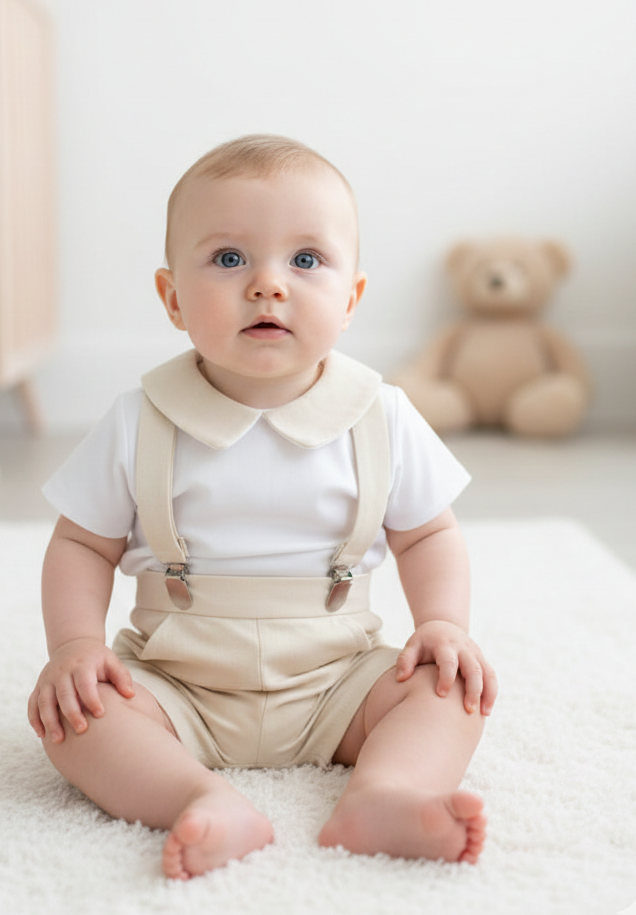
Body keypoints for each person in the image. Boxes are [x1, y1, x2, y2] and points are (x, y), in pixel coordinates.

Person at [28, 134, 498, 881]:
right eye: (229, 259)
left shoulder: (383, 414)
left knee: (452, 692)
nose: (268, 285)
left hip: (338, 676)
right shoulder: (138, 418)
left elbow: (429, 533)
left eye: (306, 260)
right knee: (74, 720)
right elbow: (80, 544)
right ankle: (197, 796)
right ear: (172, 296)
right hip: (177, 679)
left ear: (351, 298)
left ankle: (385, 792)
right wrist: (74, 647)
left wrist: (443, 625)